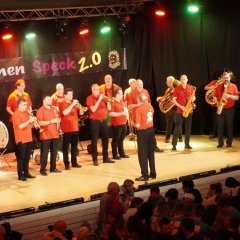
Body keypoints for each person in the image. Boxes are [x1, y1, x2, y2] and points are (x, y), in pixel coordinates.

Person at [129, 79, 164, 153]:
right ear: (135, 85)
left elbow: (149, 102)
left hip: (147, 114)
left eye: (141, 85)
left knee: (150, 131)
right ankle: (142, 149)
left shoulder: (145, 91)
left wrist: (151, 111)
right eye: (138, 85)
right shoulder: (132, 93)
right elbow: (130, 105)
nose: (140, 86)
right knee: (141, 132)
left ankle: (154, 146)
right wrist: (138, 105)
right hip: (138, 114)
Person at [86, 84, 115, 166]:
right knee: (94, 140)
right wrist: (99, 99)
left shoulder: (102, 98)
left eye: (98, 90)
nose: (98, 91)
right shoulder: (89, 98)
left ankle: (105, 157)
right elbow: (93, 109)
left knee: (105, 139)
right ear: (92, 90)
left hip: (104, 121)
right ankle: (95, 159)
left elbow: (109, 109)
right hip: (95, 121)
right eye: (96, 90)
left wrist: (108, 102)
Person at [133, 93, 157, 181]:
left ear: (138, 100)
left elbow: (138, 125)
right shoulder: (150, 107)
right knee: (150, 153)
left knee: (142, 154)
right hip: (150, 130)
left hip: (142, 132)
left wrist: (132, 123)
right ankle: (153, 173)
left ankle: (145, 175)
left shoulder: (138, 109)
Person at [36, 95, 62, 176]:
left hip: (55, 134)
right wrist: (51, 121)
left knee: (54, 153)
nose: (50, 101)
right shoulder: (40, 110)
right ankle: (42, 169)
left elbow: (59, 118)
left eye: (51, 100)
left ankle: (53, 168)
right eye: (48, 100)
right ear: (44, 101)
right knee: (45, 153)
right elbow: (40, 123)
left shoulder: (54, 109)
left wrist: (58, 120)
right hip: (45, 135)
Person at [59, 88, 83, 170]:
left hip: (75, 127)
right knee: (65, 148)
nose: (71, 96)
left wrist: (80, 106)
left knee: (74, 147)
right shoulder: (62, 103)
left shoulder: (74, 103)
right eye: (69, 94)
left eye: (71, 94)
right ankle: (66, 163)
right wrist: (72, 104)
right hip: (66, 129)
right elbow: (64, 113)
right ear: (65, 95)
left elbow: (81, 113)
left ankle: (74, 162)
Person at [12, 99, 36, 181]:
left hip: (28, 138)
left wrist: (33, 122)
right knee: (21, 158)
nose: (26, 106)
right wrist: (30, 120)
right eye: (24, 105)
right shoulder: (15, 115)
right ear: (19, 105)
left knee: (27, 157)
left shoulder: (26, 113)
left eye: (26, 105)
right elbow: (20, 126)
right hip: (21, 139)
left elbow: (30, 125)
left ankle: (26, 172)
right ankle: (20, 175)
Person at [213, 71, 239, 148]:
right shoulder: (218, 86)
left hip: (230, 109)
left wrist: (229, 96)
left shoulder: (233, 86)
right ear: (222, 78)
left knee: (229, 126)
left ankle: (229, 142)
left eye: (227, 77)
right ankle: (220, 143)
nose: (226, 79)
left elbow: (237, 97)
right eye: (224, 78)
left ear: (230, 78)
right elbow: (214, 96)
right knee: (220, 126)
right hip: (220, 109)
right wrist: (217, 103)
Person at [171, 75, 196, 151]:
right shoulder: (177, 89)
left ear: (187, 80)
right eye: (182, 79)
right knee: (177, 127)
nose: (183, 80)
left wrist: (193, 99)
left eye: (184, 79)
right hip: (180, 110)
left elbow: (194, 97)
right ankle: (174, 145)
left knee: (188, 128)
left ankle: (187, 144)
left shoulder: (191, 88)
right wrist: (181, 106)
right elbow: (173, 100)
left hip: (189, 109)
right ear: (180, 80)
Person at [156, 76, 182, 143]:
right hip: (169, 109)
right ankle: (167, 137)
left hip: (175, 108)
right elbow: (166, 98)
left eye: (167, 81)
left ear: (170, 82)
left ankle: (179, 137)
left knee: (177, 123)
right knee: (168, 123)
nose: (166, 83)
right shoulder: (168, 90)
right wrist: (160, 98)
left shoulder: (177, 89)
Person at [108, 88, 129, 160]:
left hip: (123, 122)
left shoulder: (122, 102)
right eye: (121, 94)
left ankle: (122, 153)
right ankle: (115, 154)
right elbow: (110, 113)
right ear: (117, 95)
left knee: (121, 139)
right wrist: (121, 113)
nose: (122, 95)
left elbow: (125, 110)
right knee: (115, 140)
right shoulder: (112, 102)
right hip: (116, 124)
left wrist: (126, 114)